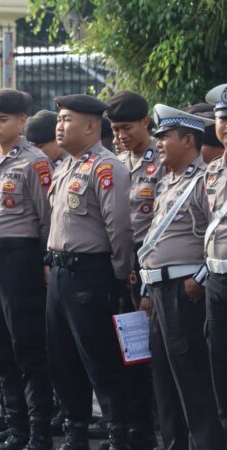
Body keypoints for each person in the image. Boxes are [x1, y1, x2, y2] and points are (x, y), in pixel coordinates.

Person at [45, 95, 133, 449]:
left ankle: (118, 432)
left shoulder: (107, 167)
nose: (59, 126)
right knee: (62, 359)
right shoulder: (66, 166)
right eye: (59, 119)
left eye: (67, 119)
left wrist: (118, 274)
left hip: (93, 274)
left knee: (100, 358)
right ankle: (75, 428)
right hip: (61, 274)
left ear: (91, 126)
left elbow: (120, 231)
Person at [138, 103, 225, 449]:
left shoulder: (204, 180)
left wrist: (201, 279)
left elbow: (216, 235)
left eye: (165, 137)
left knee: (193, 382)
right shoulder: (167, 181)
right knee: (165, 382)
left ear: (188, 140)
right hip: (159, 290)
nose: (158, 143)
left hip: (184, 291)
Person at [0, 89, 54, 450]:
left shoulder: (35, 162)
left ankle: (39, 431)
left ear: (22, 122)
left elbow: (48, 220)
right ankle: (16, 426)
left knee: (27, 347)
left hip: (21, 257)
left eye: (3, 119)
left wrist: (43, 261)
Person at [104, 91, 161, 449]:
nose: (121, 135)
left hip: (151, 260)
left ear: (145, 123)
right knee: (127, 348)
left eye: (127, 128)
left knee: (154, 348)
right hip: (122, 260)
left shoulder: (163, 158)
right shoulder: (116, 160)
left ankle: (154, 420)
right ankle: (136, 421)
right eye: (114, 129)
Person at [204, 83, 227, 435]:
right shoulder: (213, 170)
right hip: (217, 279)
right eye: (222, 118)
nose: (225, 124)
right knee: (219, 364)